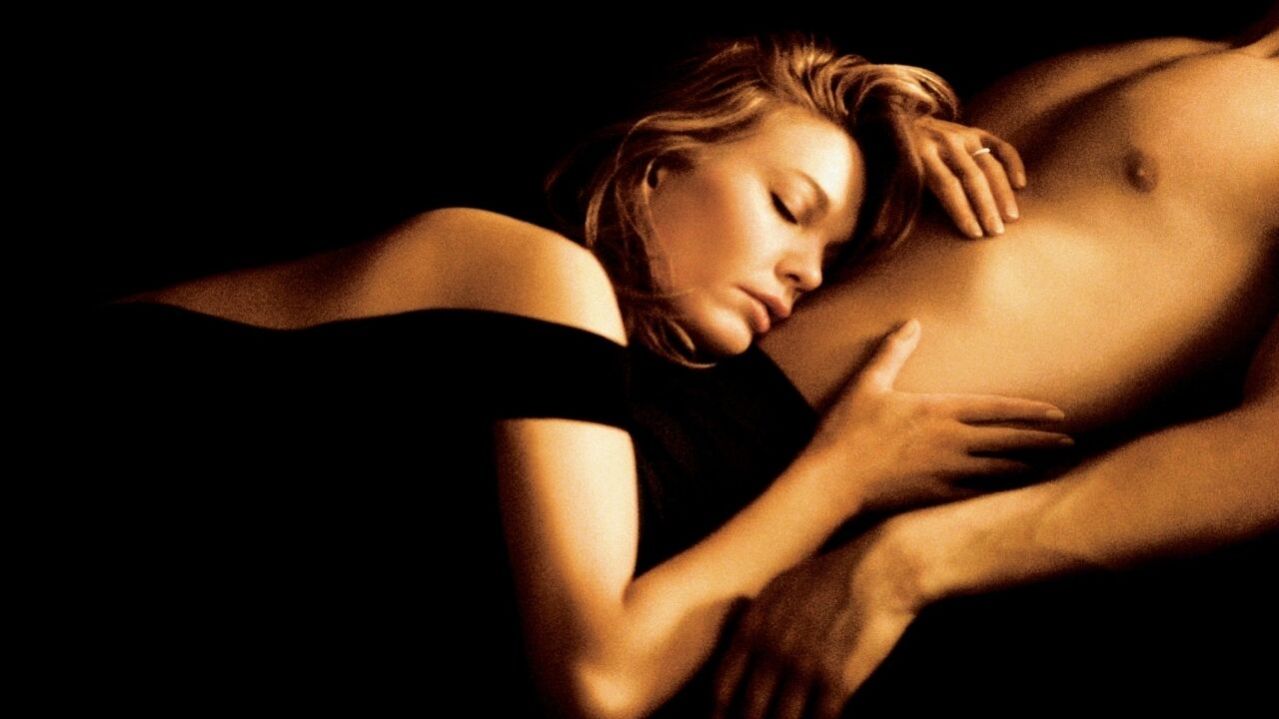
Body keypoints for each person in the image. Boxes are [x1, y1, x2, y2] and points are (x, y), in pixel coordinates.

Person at [71, 33, 1064, 717]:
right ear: (660, 161)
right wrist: (841, 475)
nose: (805, 269)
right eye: (786, 206)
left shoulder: (557, 370)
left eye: (830, 258)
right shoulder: (535, 274)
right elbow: (601, 680)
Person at [688, 19, 1278, 719]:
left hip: (795, 505)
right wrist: (874, 141)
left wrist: (910, 563)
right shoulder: (1191, 50)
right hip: (674, 377)